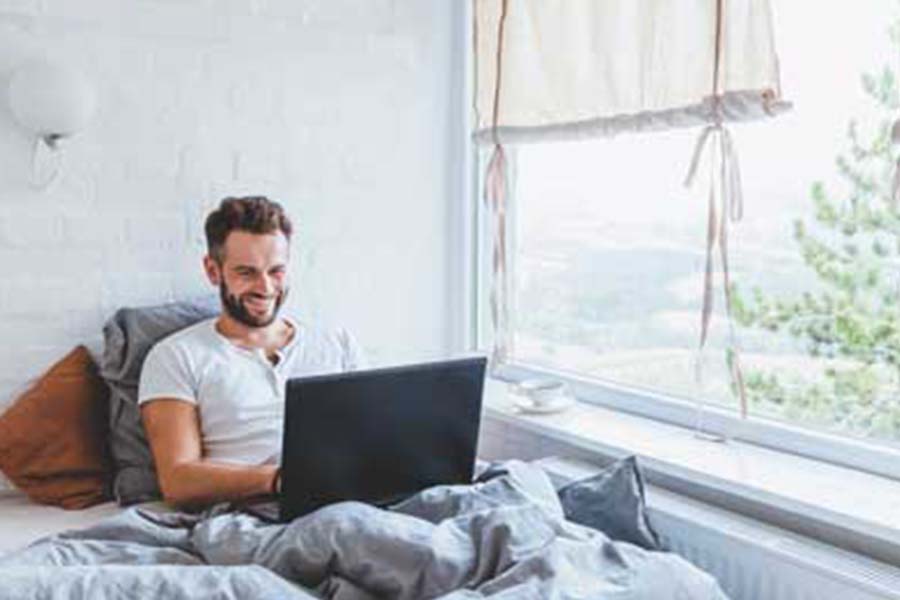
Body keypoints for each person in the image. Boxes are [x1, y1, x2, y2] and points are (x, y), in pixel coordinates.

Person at [138, 196, 365, 509]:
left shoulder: (337, 344)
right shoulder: (176, 357)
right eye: (247, 273)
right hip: (249, 511)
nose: (266, 287)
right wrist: (278, 480)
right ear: (213, 270)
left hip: (347, 500)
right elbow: (178, 480)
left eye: (276, 271)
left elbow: (367, 439)